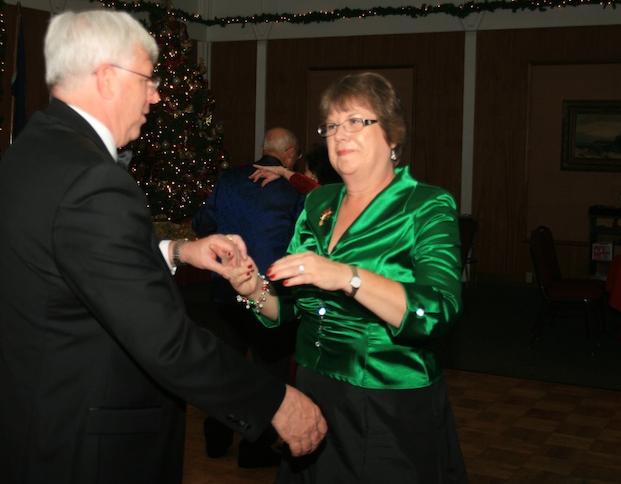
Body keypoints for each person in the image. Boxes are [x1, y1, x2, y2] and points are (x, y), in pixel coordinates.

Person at [0, 9, 326, 484]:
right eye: (147, 78)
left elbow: (76, 264)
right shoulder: (92, 179)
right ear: (105, 78)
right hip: (89, 447)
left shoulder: (32, 151)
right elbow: (165, 340)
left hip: (37, 422)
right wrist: (275, 401)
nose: (157, 94)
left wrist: (178, 252)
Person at [230, 72, 467, 482]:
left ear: (393, 136)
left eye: (357, 121)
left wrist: (348, 277)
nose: (341, 134)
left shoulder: (426, 206)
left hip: (386, 402)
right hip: (311, 394)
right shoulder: (319, 201)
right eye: (332, 126)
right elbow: (290, 307)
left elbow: (438, 311)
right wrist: (254, 290)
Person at [191, 127, 305, 468]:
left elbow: (202, 223)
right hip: (269, 295)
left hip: (227, 289)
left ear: (262, 148)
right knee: (269, 374)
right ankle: (254, 449)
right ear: (289, 155)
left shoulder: (228, 179)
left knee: (227, 368)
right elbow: (304, 238)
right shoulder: (293, 189)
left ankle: (217, 436)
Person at [249, 142, 342, 194]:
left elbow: (316, 191)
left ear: (314, 176)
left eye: (306, 170)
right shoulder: (343, 196)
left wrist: (283, 171)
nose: (303, 174)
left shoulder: (319, 203)